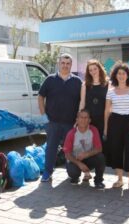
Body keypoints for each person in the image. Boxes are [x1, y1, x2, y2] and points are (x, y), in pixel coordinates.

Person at [38, 53, 82, 182]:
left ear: (71, 65)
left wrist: (78, 120)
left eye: (68, 63)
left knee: (71, 150)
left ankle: (72, 173)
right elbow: (40, 97)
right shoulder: (50, 79)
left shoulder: (77, 81)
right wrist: (43, 115)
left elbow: (82, 101)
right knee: (51, 148)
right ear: (59, 64)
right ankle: (47, 172)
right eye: (63, 63)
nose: (65, 65)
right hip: (52, 122)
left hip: (70, 123)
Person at [103, 61, 129, 192]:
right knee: (116, 150)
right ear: (115, 75)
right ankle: (119, 180)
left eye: (123, 73)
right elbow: (107, 111)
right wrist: (106, 129)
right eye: (119, 73)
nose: (121, 76)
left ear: (128, 75)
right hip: (115, 122)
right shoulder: (111, 92)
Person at [63, 109, 105, 189]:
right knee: (73, 173)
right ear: (77, 119)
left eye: (86, 118)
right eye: (81, 117)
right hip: (74, 160)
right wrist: (79, 163)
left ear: (89, 120)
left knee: (101, 157)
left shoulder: (93, 130)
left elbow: (99, 148)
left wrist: (87, 154)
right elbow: (67, 154)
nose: (83, 120)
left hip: (88, 159)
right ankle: (75, 177)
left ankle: (98, 181)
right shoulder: (71, 133)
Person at [79, 59, 109, 147]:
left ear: (99, 69)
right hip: (88, 120)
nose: (93, 71)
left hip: (103, 119)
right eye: (90, 70)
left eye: (95, 69)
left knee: (102, 145)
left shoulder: (108, 84)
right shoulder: (85, 85)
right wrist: (79, 119)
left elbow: (109, 105)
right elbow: (82, 103)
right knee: (88, 145)